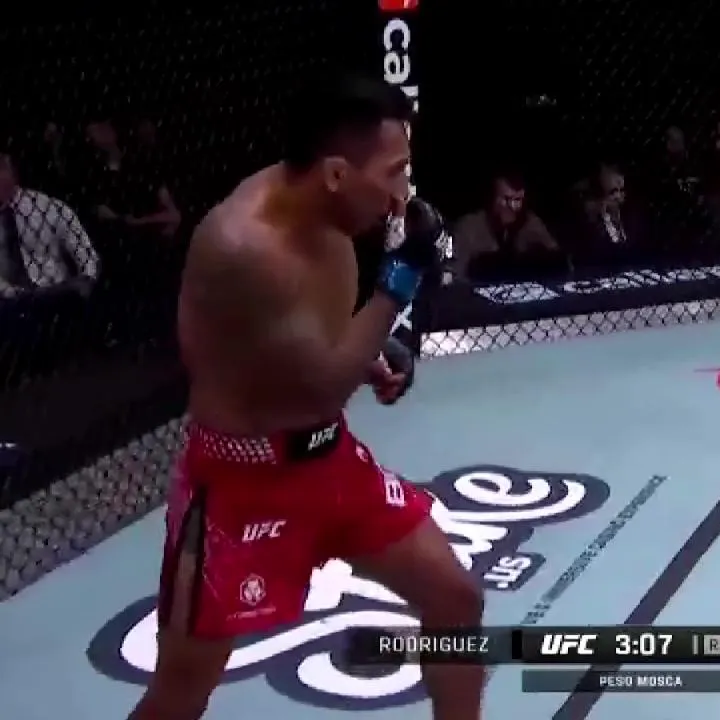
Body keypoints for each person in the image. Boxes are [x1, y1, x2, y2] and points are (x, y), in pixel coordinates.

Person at [127, 75, 484, 720]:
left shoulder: (326, 209)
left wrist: (370, 352)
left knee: (455, 599)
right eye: (394, 173)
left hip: (330, 463)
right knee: (180, 692)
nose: (402, 195)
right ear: (337, 174)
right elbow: (319, 380)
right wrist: (399, 282)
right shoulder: (249, 248)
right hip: (242, 486)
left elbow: (297, 344)